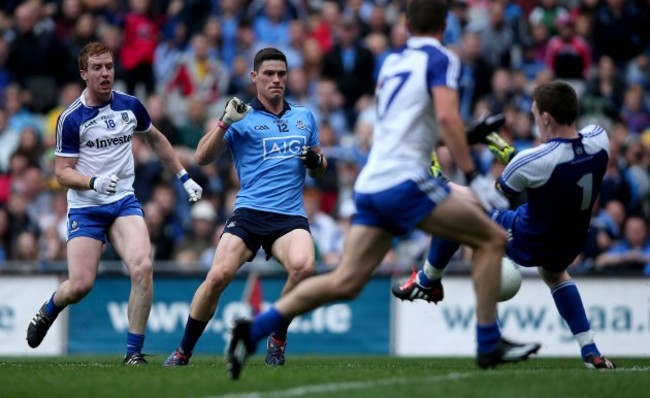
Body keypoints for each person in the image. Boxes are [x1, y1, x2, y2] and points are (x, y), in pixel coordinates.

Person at [225, 0, 541, 380]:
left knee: (345, 281)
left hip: (373, 182)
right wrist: (473, 173)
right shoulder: (444, 59)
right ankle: (486, 339)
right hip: (406, 180)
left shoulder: (391, 63)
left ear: (406, 25)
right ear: (446, 26)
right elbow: (444, 115)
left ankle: (252, 330)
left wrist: (467, 135)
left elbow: (408, 125)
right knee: (490, 237)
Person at [393, 80, 615, 369]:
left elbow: (485, 201)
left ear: (546, 118)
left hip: (529, 236)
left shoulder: (531, 161)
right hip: (571, 239)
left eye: (535, 114)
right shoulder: (599, 138)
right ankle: (591, 352)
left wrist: (442, 184)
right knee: (555, 274)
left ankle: (427, 281)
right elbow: (556, 169)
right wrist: (510, 155)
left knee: (457, 216)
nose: (535, 119)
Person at [26, 41, 204, 365]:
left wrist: (183, 176)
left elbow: (157, 139)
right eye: (97, 67)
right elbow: (62, 172)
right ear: (84, 73)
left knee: (143, 266)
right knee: (80, 285)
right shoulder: (71, 118)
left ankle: (133, 354)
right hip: (86, 207)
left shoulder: (130, 105)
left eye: (108, 66)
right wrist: (93, 181)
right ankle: (49, 309)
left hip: (122, 201)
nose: (105, 73)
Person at [163, 47, 327, 367]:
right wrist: (225, 122)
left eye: (281, 74)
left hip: (290, 216)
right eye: (268, 74)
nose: (276, 80)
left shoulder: (304, 116)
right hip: (250, 213)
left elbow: (320, 168)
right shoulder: (241, 115)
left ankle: (276, 338)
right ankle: (183, 350)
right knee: (218, 276)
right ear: (255, 77)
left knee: (304, 268)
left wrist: (316, 162)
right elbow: (201, 157)